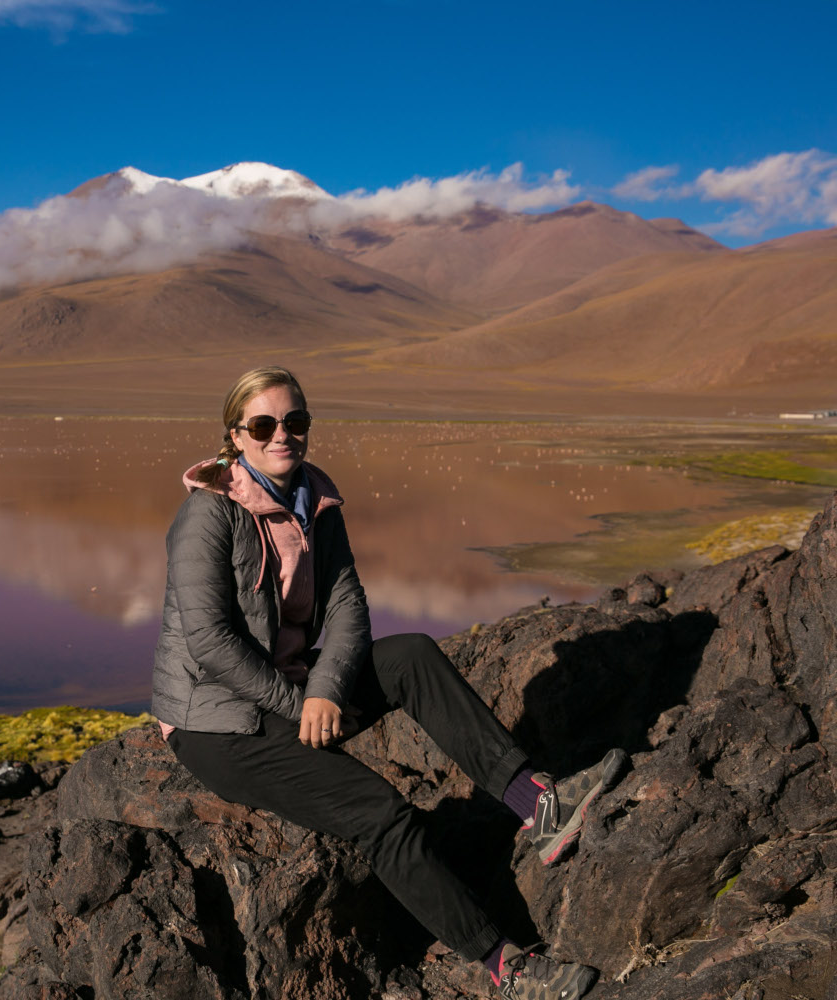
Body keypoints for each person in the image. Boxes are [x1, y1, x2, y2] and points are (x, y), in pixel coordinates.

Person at [152, 365, 626, 1000]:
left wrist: (325, 690)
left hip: (291, 684)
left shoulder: (315, 502)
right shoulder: (208, 513)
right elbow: (210, 642)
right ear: (235, 436)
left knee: (411, 656)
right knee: (380, 812)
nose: (281, 435)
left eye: (295, 421)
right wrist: (300, 705)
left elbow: (347, 604)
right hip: (216, 723)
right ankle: (505, 966)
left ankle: (537, 807)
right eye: (263, 425)